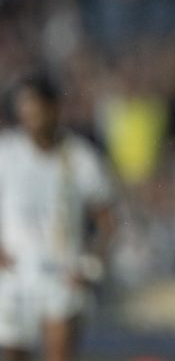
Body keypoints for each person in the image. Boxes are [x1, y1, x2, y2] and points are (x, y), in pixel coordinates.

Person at [0, 74, 116, 361]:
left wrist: (91, 266)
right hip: (15, 271)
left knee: (59, 353)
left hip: (60, 272)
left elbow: (107, 220)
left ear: (53, 108)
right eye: (25, 106)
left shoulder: (79, 157)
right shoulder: (7, 152)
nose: (29, 114)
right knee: (13, 354)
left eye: (36, 106)